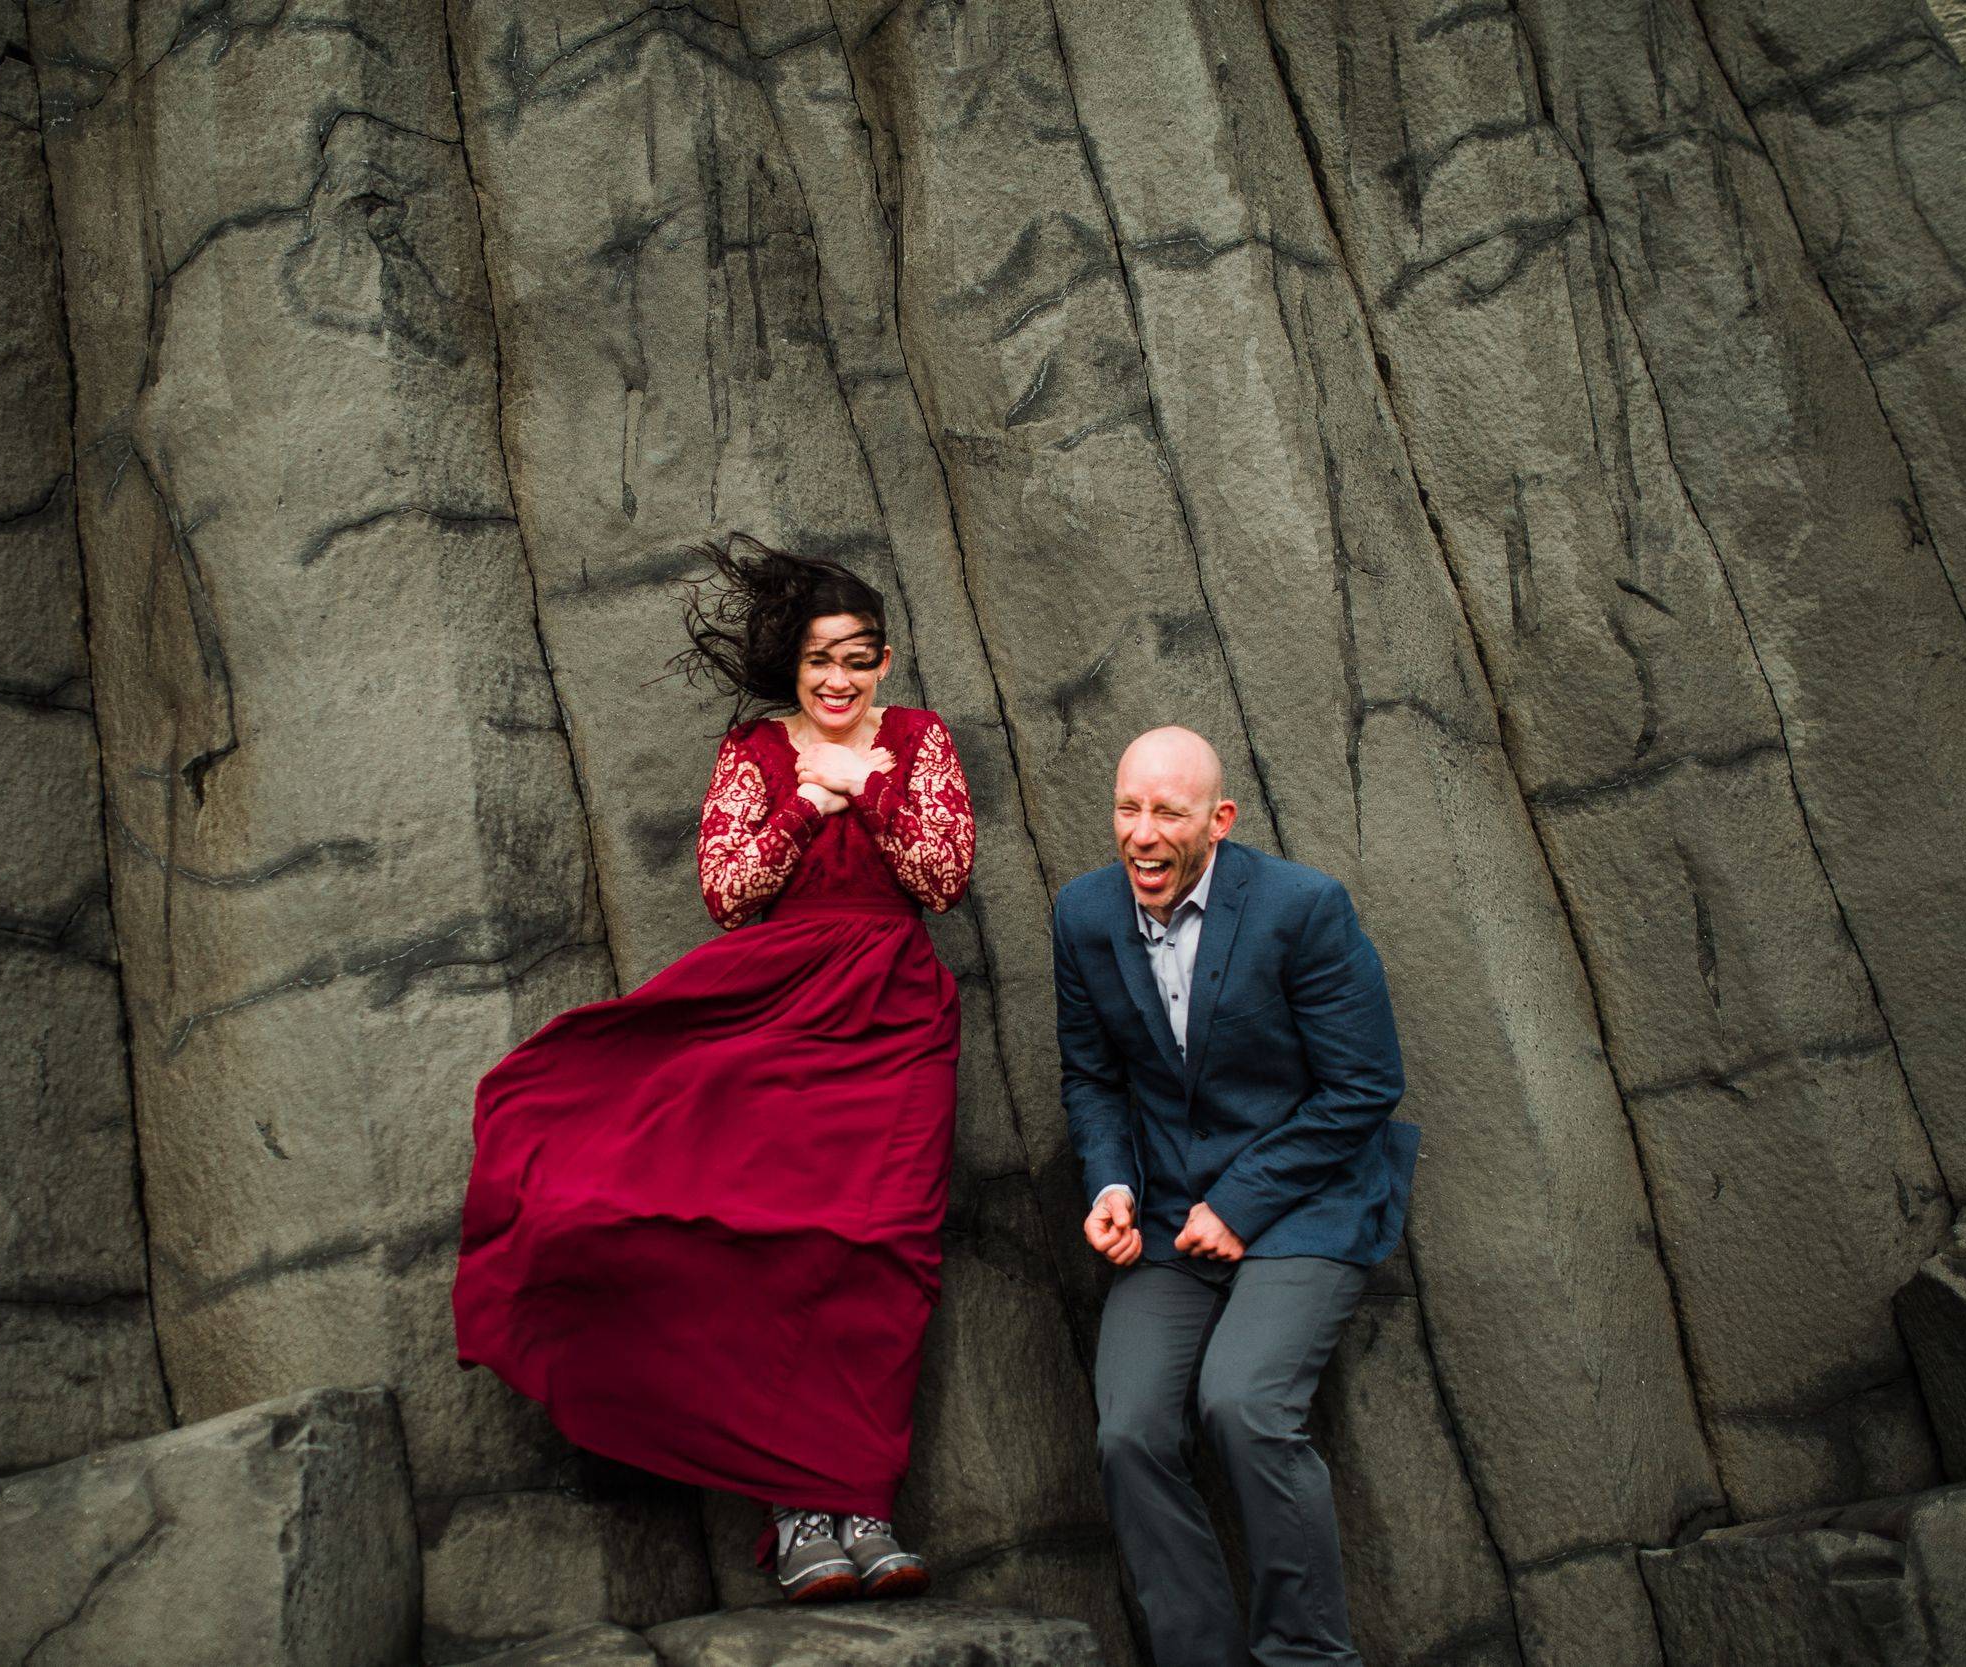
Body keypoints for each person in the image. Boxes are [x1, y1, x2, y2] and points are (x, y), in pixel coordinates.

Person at [453, 536, 976, 1604]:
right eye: (823, 658)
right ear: (794, 663)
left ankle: (862, 1503)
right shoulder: (751, 749)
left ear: (885, 662)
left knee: (884, 1251)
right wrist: (807, 801)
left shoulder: (920, 740)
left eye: (861, 657)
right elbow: (729, 892)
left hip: (896, 1016)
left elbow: (944, 875)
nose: (841, 678)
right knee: (772, 1244)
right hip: (777, 1006)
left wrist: (869, 791)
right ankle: (798, 1516)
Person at [1056, 726, 1419, 1666]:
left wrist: (1243, 1200)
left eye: (1167, 812)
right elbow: (1092, 1078)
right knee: (1129, 1428)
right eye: (1127, 807)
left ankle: (1305, 1656)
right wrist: (1112, 1182)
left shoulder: (1304, 908)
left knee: (1243, 1405)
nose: (1141, 832)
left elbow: (1366, 1084)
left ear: (1217, 821)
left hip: (1308, 1207)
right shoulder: (1083, 915)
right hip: (1169, 1222)